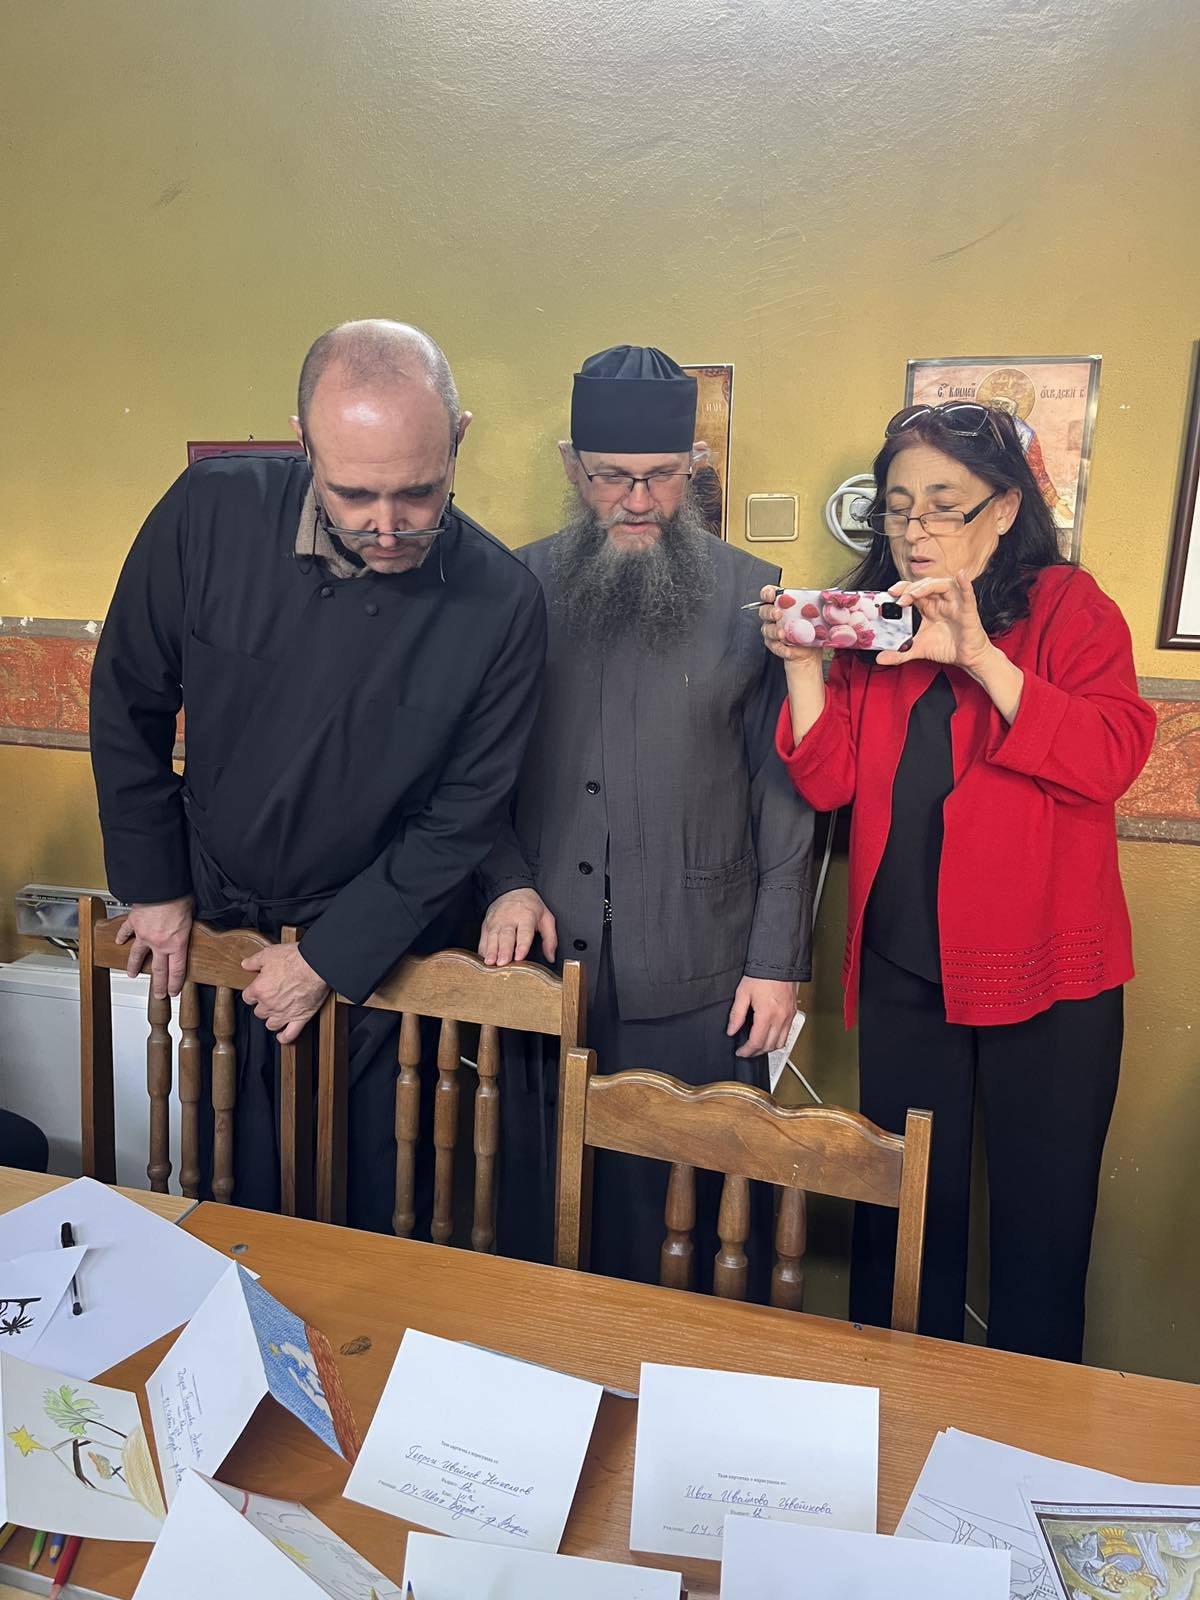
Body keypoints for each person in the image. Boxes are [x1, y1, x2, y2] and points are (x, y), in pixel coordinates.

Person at [89, 320, 547, 1228]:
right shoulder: (209, 511)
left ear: (459, 439)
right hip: (218, 922)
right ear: (303, 445)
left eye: (419, 493)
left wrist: (329, 959)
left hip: (382, 952)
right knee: (229, 1196)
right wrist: (154, 884)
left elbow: (463, 812)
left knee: (374, 1212)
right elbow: (127, 697)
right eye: (355, 494)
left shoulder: (503, 602)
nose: (388, 526)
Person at [761, 400, 1155, 1360]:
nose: (916, 529)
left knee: (1043, 1228)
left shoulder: (1069, 608)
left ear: (1005, 509)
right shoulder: (879, 616)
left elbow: (1110, 757)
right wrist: (805, 668)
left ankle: (1020, 1431)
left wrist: (978, 656)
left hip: (1050, 978)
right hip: (906, 969)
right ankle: (894, 1413)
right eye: (898, 508)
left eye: (944, 505)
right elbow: (830, 783)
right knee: (902, 1225)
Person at [478, 344, 814, 1289]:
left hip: (703, 967)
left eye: (662, 477)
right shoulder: (513, 590)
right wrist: (505, 879)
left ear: (693, 467)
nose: (638, 501)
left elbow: (784, 791)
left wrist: (777, 963)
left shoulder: (754, 594)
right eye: (612, 477)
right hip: (546, 961)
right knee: (548, 1214)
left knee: (692, 1227)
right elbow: (472, 775)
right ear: (571, 467)